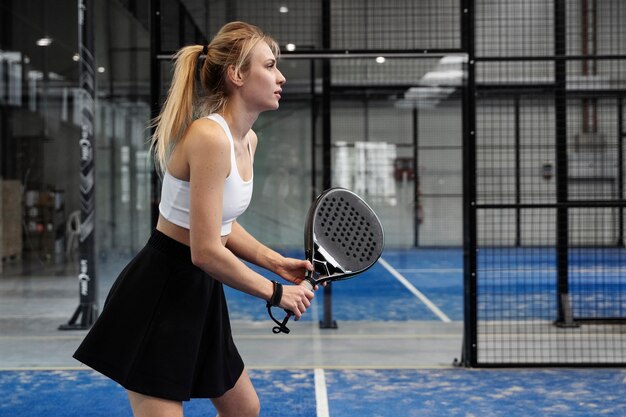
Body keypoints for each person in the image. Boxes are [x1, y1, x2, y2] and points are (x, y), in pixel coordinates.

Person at [73, 21, 316, 417]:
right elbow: (204, 250)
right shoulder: (209, 137)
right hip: (160, 292)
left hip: (200, 292)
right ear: (237, 75)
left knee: (244, 409)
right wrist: (275, 292)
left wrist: (274, 261)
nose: (280, 76)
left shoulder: (248, 140)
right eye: (270, 65)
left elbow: (221, 223)